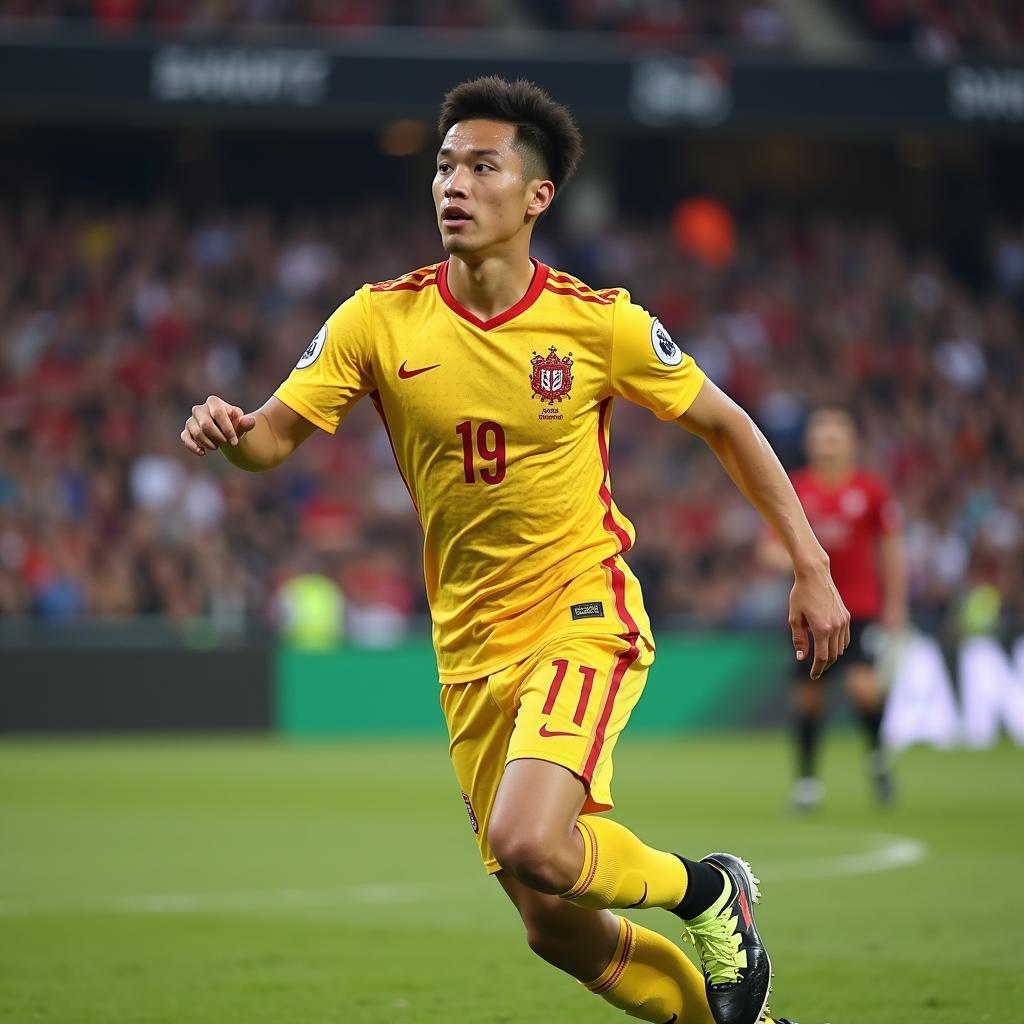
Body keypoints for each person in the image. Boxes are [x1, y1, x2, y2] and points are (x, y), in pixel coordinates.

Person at [181, 76, 848, 1024]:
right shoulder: (377, 319)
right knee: (552, 925)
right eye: (445, 166)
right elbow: (271, 441)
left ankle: (707, 892)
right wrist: (229, 430)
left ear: (537, 196)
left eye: (482, 167)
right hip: (469, 651)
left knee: (533, 842)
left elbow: (728, 424)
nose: (454, 184)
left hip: (582, 610)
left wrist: (810, 564)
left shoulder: (596, 322)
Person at [761, 405, 906, 812]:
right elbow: (769, 545)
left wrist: (895, 604)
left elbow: (891, 548)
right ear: (809, 442)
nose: (828, 442)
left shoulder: (872, 491)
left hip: (859, 609)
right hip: (809, 612)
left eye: (835, 434)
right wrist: (800, 567)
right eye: (821, 434)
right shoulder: (794, 489)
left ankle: (877, 757)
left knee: (864, 689)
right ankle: (807, 784)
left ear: (851, 442)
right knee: (808, 698)